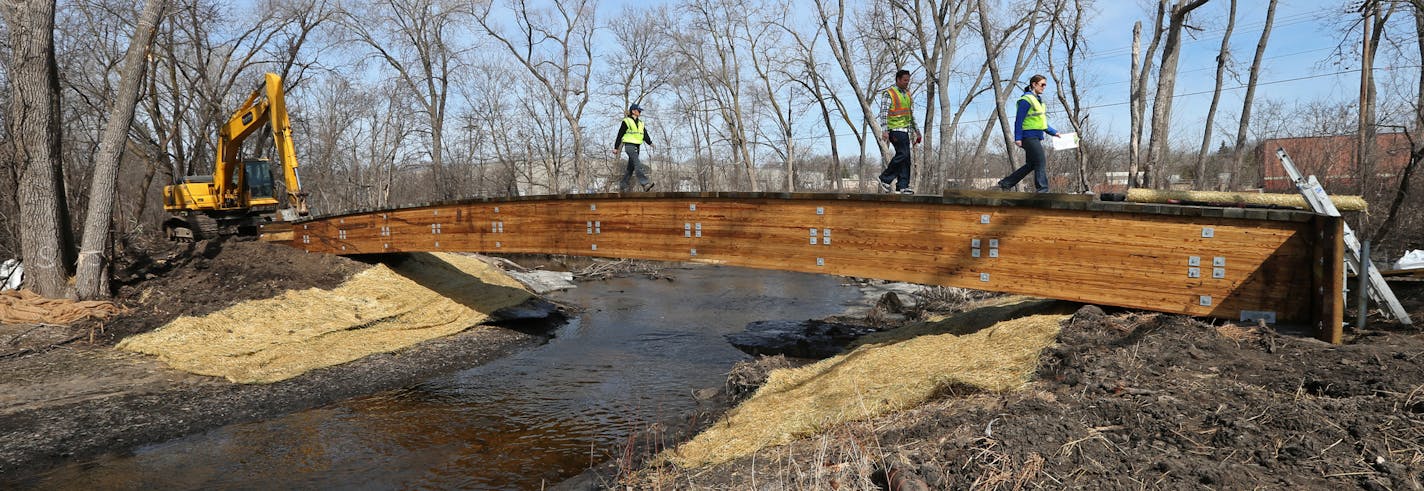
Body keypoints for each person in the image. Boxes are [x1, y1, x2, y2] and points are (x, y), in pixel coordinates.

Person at [998, 74, 1060, 193]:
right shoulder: (1026, 100)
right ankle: (1042, 190)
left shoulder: (1039, 102)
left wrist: (1055, 133)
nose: (1044, 87)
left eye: (1045, 85)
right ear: (1034, 84)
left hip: (1036, 136)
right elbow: (1019, 120)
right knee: (1041, 161)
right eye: (1042, 84)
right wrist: (1018, 138)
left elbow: (1043, 124)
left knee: (1032, 164)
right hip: (1028, 137)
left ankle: (1006, 183)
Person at [877, 69, 921, 194]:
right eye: (905, 80)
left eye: (908, 80)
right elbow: (884, 113)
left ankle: (902, 186)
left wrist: (917, 131)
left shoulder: (907, 95)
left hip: (905, 130)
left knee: (907, 158)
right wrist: (885, 130)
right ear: (898, 79)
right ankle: (885, 178)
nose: (907, 82)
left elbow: (910, 115)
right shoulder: (889, 93)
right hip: (894, 130)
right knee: (903, 153)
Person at [613, 104, 654, 192]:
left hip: (637, 146)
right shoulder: (627, 121)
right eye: (639, 110)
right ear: (633, 111)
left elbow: (645, 134)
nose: (640, 112)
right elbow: (620, 134)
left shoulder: (641, 123)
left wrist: (650, 143)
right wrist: (616, 147)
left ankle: (623, 185)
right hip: (629, 146)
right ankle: (645, 184)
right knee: (637, 164)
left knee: (630, 168)